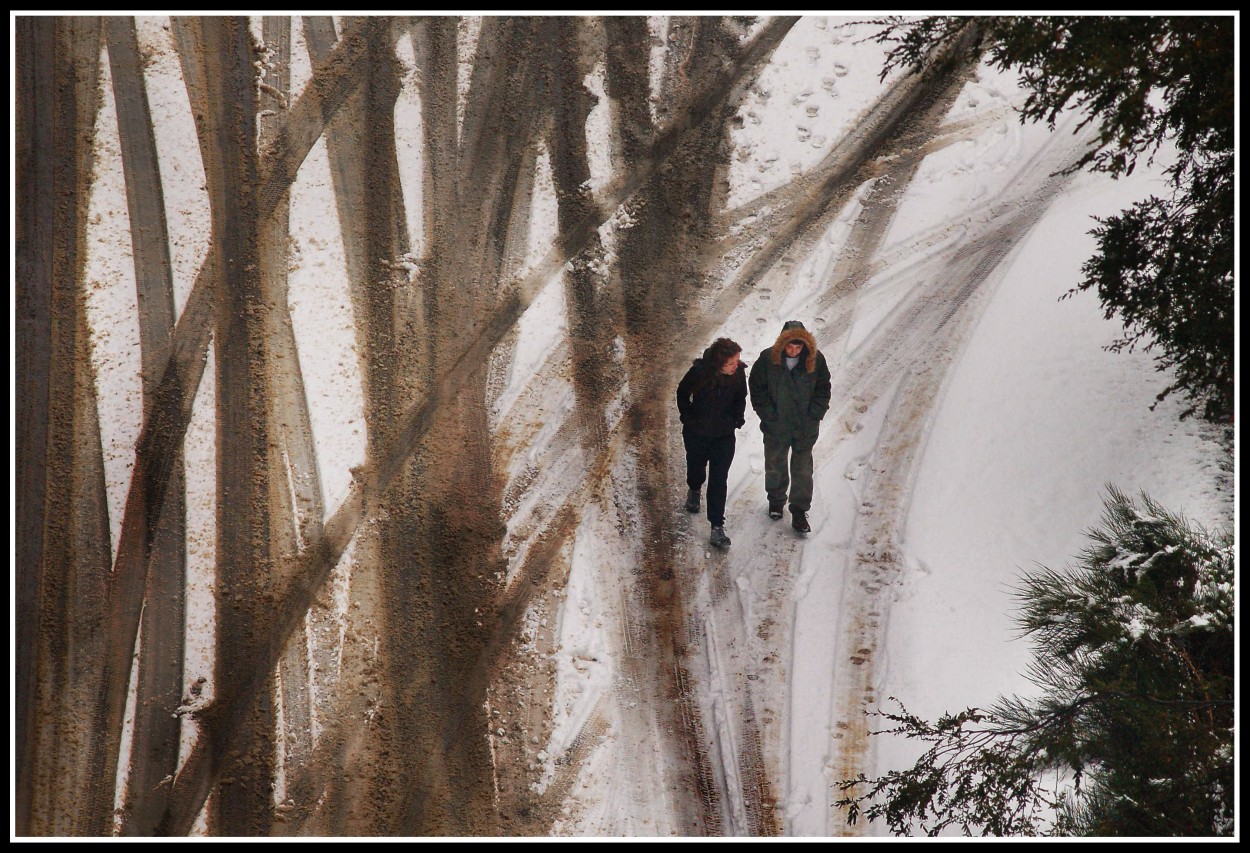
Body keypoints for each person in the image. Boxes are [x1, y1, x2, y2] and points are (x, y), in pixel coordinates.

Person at [747, 320, 832, 534]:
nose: (794, 351)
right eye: (790, 347)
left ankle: (799, 511)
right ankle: (776, 501)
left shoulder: (816, 360)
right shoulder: (767, 359)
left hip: (805, 427)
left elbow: (823, 388)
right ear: (782, 344)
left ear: (805, 346)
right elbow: (757, 388)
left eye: (798, 347)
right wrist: (769, 415)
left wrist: (815, 414)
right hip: (777, 426)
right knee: (775, 463)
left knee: (802, 469)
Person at [676, 337, 748, 549]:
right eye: (731, 363)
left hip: (723, 436)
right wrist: (687, 417)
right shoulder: (699, 372)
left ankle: (717, 526)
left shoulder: (738, 374)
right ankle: (694, 488)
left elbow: (741, 397)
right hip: (697, 433)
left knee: (719, 479)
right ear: (718, 364)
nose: (736, 366)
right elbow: (682, 393)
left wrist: (737, 416)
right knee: (697, 467)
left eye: (737, 361)